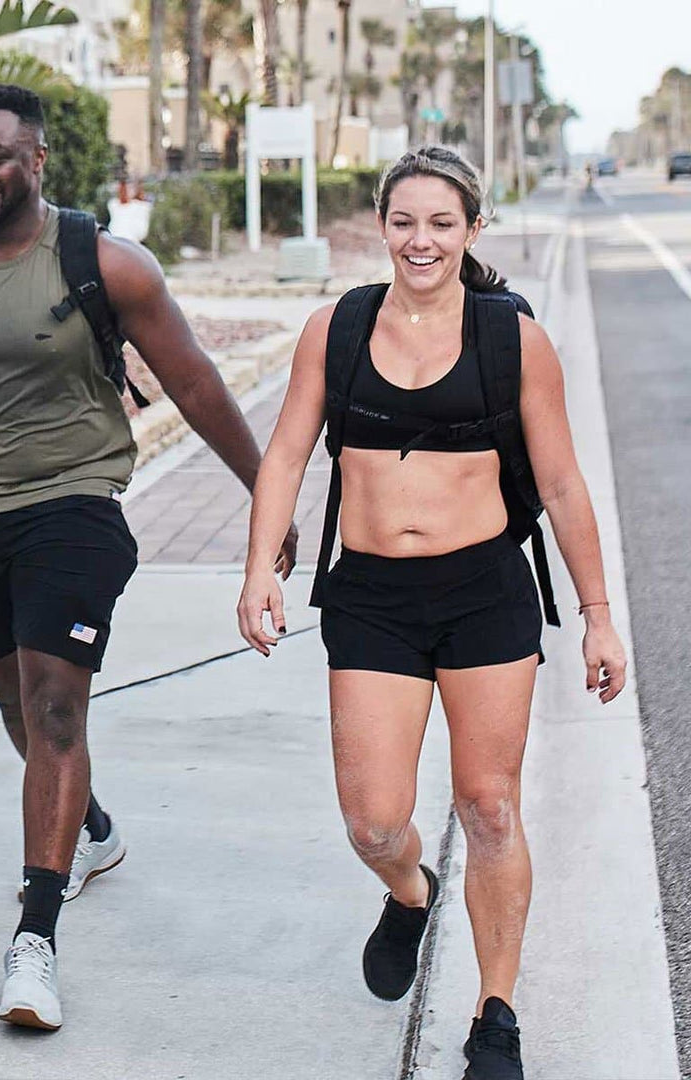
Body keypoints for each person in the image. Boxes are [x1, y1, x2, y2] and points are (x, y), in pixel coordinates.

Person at [0, 84, 296, 1032]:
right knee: (16, 705)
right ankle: (88, 830)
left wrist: (265, 490)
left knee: (54, 702)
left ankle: (34, 942)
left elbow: (196, 380)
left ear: (38, 161)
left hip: (76, 505)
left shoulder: (105, 264)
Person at [237, 146, 626, 1080]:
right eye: (405, 221)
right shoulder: (334, 329)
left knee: (490, 805)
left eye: (442, 223)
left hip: (485, 591)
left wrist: (599, 613)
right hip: (373, 598)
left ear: (472, 230)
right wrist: (260, 569)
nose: (422, 240)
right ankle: (410, 895)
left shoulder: (512, 338)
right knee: (374, 823)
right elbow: (286, 455)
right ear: (382, 226)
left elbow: (565, 485)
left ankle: (496, 1015)